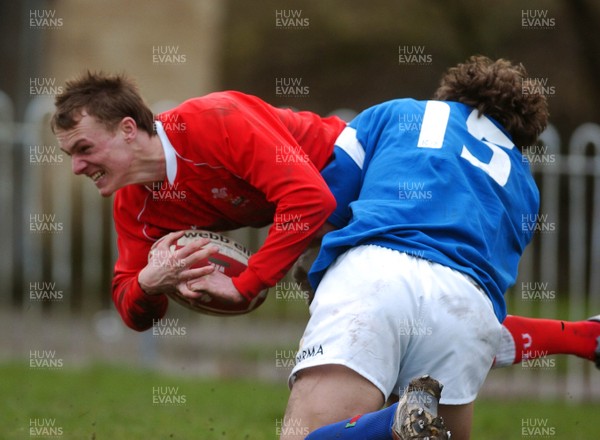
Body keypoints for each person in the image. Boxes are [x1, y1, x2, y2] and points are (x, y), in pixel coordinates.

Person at [51, 69, 599, 437]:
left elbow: (312, 196)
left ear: (129, 129)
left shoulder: (215, 122)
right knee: (455, 317)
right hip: (441, 276)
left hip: (352, 204)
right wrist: (152, 281)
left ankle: (395, 419)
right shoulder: (137, 206)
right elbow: (129, 302)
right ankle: (582, 337)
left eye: (83, 149)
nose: (76, 166)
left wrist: (254, 278)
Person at [279, 55, 555, 440]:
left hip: (376, 275)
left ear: (449, 93)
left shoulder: (399, 112)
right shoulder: (525, 185)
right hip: (465, 307)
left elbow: (323, 205)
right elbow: (493, 276)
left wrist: (293, 263)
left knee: (307, 433)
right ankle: (399, 420)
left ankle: (391, 424)